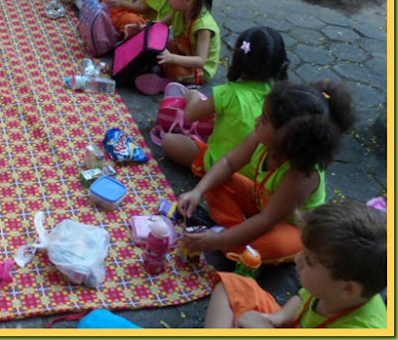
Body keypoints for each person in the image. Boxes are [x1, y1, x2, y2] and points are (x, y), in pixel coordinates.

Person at [177, 80, 356, 264]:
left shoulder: (300, 175)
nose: (256, 121)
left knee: (268, 246)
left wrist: (219, 240)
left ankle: (231, 239)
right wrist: (197, 191)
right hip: (262, 204)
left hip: (290, 227)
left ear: (286, 138)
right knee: (217, 181)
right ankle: (234, 234)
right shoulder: (262, 138)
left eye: (263, 120)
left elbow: (268, 219)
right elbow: (229, 163)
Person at [205, 201, 387, 329]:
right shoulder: (333, 289)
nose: (297, 259)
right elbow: (301, 299)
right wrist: (277, 318)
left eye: (310, 261)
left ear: (348, 289)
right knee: (233, 285)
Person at [162, 27, 289, 179]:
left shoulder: (228, 92)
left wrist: (192, 97)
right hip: (254, 175)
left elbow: (190, 114)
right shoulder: (278, 97)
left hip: (221, 167)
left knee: (168, 141)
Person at [134, 0, 222, 95]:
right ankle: (162, 69)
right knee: (155, 43)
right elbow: (160, 26)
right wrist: (143, 29)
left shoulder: (203, 27)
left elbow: (200, 60)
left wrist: (172, 58)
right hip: (182, 52)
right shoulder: (178, 10)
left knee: (175, 70)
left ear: (188, 0)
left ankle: (166, 83)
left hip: (199, 69)